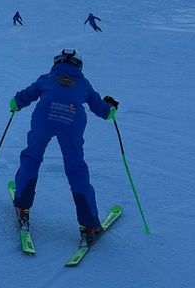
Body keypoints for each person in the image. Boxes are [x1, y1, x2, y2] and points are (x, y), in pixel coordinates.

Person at [9, 49, 118, 245]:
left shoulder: (47, 78)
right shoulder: (83, 83)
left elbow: (26, 95)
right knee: (76, 168)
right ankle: (90, 224)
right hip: (72, 119)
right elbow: (102, 110)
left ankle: (22, 205)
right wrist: (111, 108)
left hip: (44, 117)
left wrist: (15, 103)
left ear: (57, 63)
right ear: (78, 65)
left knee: (32, 158)